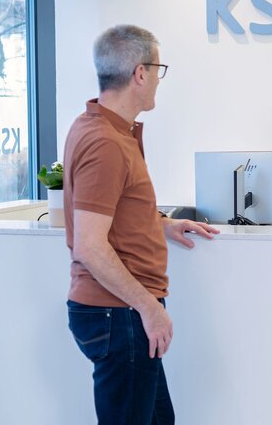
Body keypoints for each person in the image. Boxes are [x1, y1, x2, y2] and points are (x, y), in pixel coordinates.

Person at [63, 25, 220, 424]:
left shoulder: (102, 127)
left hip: (122, 313)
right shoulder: (106, 142)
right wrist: (149, 308)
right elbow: (90, 245)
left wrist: (161, 223)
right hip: (121, 313)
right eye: (158, 70)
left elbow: (115, 209)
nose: (158, 81)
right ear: (140, 73)